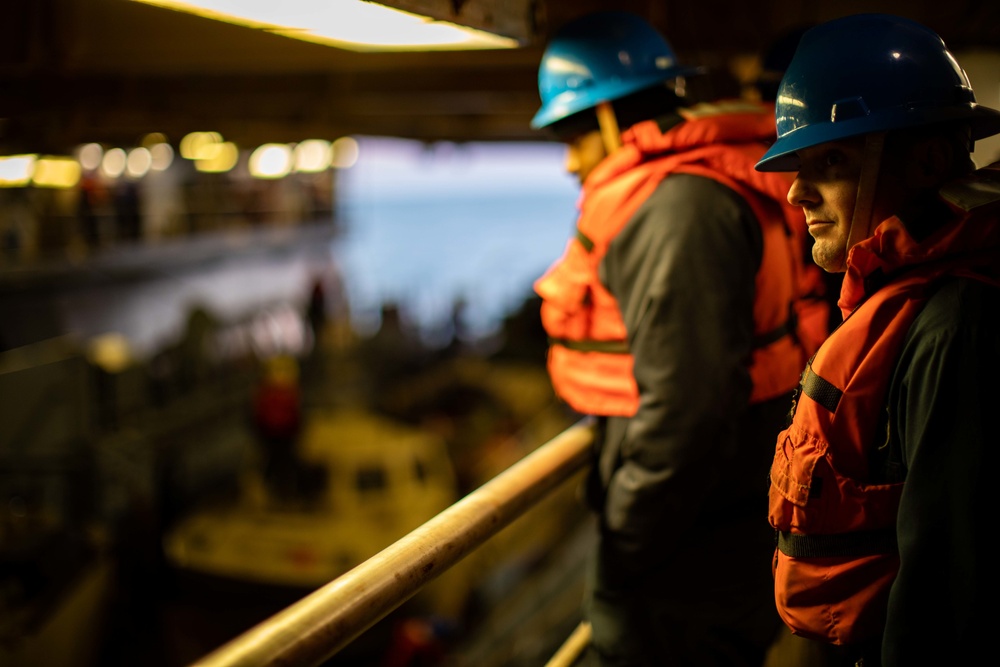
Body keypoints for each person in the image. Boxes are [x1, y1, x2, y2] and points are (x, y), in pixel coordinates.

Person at [530, 11, 827, 666]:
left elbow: (687, 410)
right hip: (713, 519)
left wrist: (625, 535)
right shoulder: (691, 189)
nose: (571, 162)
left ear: (610, 120)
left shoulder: (677, 209)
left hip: (687, 548)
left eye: (573, 135)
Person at [754, 13, 1000, 666]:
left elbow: (948, 599)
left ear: (926, 160)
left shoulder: (955, 327)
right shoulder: (907, 297)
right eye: (797, 164)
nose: (796, 190)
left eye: (830, 160)